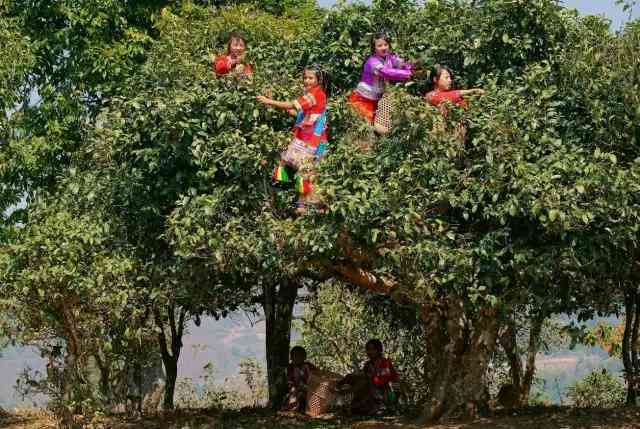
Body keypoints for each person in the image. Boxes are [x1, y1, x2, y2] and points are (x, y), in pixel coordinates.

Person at [257, 65, 328, 215]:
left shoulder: (315, 94)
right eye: (305, 77)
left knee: (305, 172)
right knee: (303, 171)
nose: (307, 80)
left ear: (318, 80)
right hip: (307, 139)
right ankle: (301, 205)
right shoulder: (312, 94)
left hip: (311, 141)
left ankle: (304, 206)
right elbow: (303, 114)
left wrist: (269, 101)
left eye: (311, 78)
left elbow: (292, 105)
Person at [348, 32, 413, 135]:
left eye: (385, 45)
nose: (383, 48)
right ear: (374, 48)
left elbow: (404, 64)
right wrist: (407, 74)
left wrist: (409, 67)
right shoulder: (372, 61)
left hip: (377, 101)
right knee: (363, 130)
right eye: (379, 45)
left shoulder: (390, 58)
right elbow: (385, 72)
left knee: (378, 130)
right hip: (362, 99)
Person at [425, 64, 485, 144]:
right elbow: (444, 97)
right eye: (446, 78)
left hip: (456, 143)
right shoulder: (430, 95)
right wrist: (472, 91)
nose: (450, 80)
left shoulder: (457, 98)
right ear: (435, 79)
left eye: (450, 78)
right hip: (438, 141)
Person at [339, 339, 399, 416]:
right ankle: (354, 403)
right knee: (352, 378)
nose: (370, 352)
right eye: (368, 350)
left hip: (384, 393)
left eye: (373, 349)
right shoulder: (368, 364)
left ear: (379, 350)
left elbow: (383, 380)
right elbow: (363, 378)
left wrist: (369, 378)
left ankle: (381, 406)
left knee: (365, 382)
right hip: (370, 392)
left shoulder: (385, 363)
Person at [283, 346, 317, 412]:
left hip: (310, 390)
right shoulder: (289, 368)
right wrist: (295, 390)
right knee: (295, 398)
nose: (298, 357)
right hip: (295, 391)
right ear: (292, 357)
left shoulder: (309, 366)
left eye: (301, 355)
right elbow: (290, 382)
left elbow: (318, 376)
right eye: (296, 355)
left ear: (304, 357)